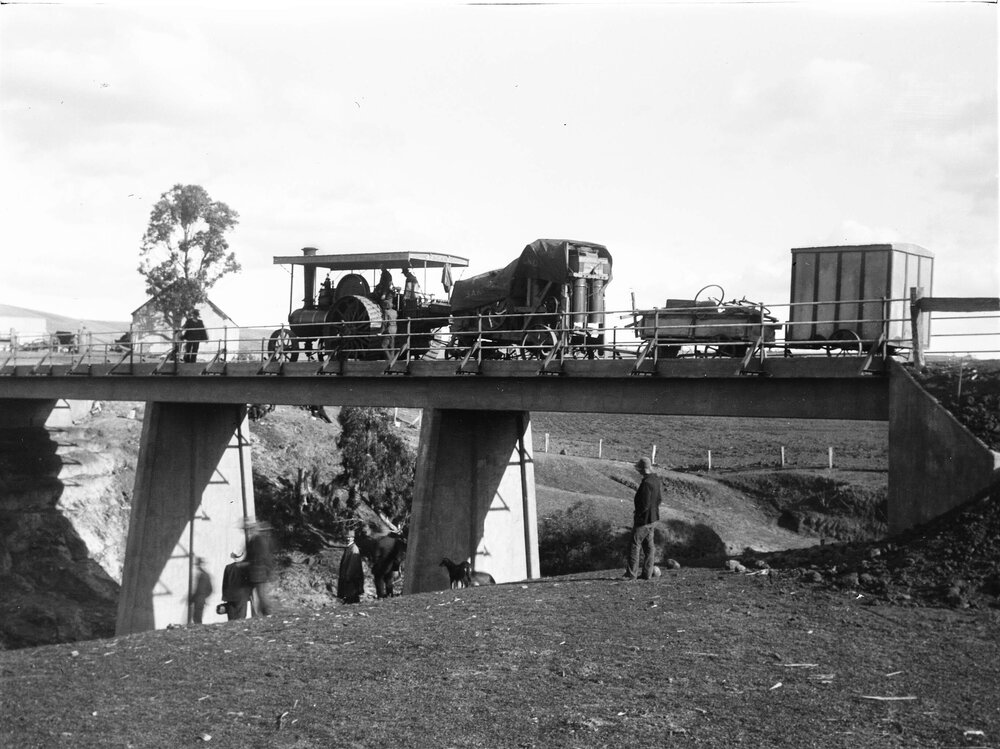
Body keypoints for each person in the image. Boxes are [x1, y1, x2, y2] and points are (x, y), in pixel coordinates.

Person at [623, 456, 662, 580]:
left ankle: (631, 574)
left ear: (642, 469)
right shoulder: (656, 480)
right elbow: (659, 499)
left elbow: (644, 504)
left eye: (638, 468)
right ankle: (647, 573)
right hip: (653, 518)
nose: (637, 471)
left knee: (634, 545)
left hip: (643, 520)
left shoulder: (646, 483)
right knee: (649, 547)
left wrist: (638, 516)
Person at [244, 518, 275, 616]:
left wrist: (247, 563)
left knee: (261, 594)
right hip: (255, 572)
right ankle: (260, 614)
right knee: (258, 594)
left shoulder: (258, 540)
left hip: (259, 572)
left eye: (249, 529)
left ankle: (267, 614)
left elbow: (261, 557)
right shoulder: (253, 540)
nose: (248, 531)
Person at [337, 529, 365, 604]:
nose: (348, 539)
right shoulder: (348, 547)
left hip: (352, 574)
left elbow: (353, 563)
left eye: (350, 537)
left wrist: (348, 574)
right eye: (347, 537)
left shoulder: (354, 548)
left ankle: (351, 602)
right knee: (349, 591)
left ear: (353, 538)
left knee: (352, 591)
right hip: (348, 573)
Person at [189, 557, 213, 624]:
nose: (198, 566)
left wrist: (202, 597)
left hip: (199, 599)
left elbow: (209, 589)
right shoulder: (202, 575)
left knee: (197, 618)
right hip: (199, 599)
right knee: (196, 617)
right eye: (198, 565)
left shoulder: (204, 575)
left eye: (199, 564)